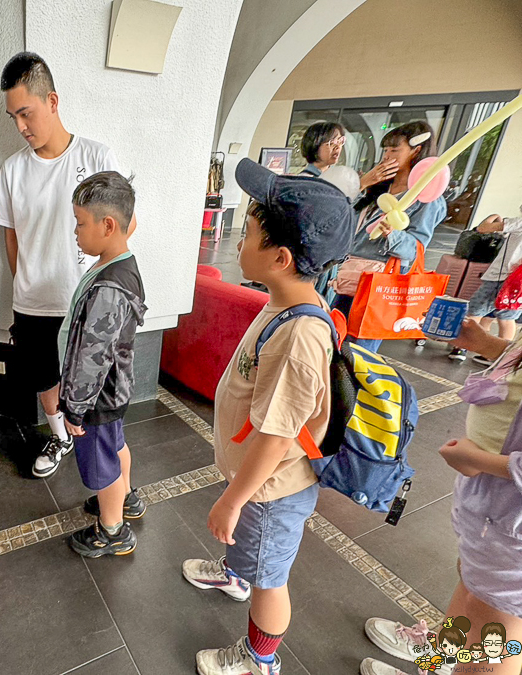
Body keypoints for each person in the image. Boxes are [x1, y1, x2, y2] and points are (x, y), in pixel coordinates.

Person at [181, 158, 352, 675]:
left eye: (248, 233)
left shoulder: (300, 335)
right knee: (251, 556)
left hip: (271, 492)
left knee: (271, 579)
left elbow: (278, 438)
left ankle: (260, 658)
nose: (237, 242)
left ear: (279, 257)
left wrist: (233, 501)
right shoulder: (282, 298)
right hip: (258, 481)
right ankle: (237, 574)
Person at [0, 52, 136, 479]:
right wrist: (26, 279)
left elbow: (123, 225)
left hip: (87, 304)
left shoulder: (96, 155)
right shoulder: (13, 169)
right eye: (12, 117)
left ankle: (108, 459)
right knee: (45, 382)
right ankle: (61, 436)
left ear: (52, 101)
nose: (21, 127)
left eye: (26, 113)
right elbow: (11, 235)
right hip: (33, 301)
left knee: (93, 386)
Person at [361, 318, 522, 675]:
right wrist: (487, 345)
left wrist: (480, 461)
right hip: (492, 508)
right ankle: (441, 661)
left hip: (511, 519)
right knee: (471, 592)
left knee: (494, 632)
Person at [58, 171, 146, 557]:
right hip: (114, 390)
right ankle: (125, 498)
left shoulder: (110, 285)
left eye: (80, 223)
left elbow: (92, 357)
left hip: (97, 397)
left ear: (108, 225)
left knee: (101, 462)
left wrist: (74, 408)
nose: (76, 231)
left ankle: (112, 530)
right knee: (116, 444)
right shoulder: (119, 261)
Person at [331, 121, 447, 353]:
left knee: (358, 353)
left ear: (416, 150)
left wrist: (392, 235)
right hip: (348, 275)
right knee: (331, 337)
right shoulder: (377, 187)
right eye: (385, 150)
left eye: (395, 150)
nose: (387, 156)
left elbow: (416, 248)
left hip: (378, 282)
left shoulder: (426, 198)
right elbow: (340, 217)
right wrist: (363, 184)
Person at [449, 209, 522, 364]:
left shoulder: (518, 222)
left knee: (475, 312)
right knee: (507, 318)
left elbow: (483, 228)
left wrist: (494, 216)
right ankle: (500, 357)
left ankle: (461, 348)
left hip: (500, 277)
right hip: (517, 282)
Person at [298, 122, 348, 302]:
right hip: (311, 260)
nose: (337, 148)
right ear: (315, 144)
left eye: (340, 142)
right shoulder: (306, 181)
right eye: (331, 143)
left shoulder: (336, 180)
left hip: (330, 261)